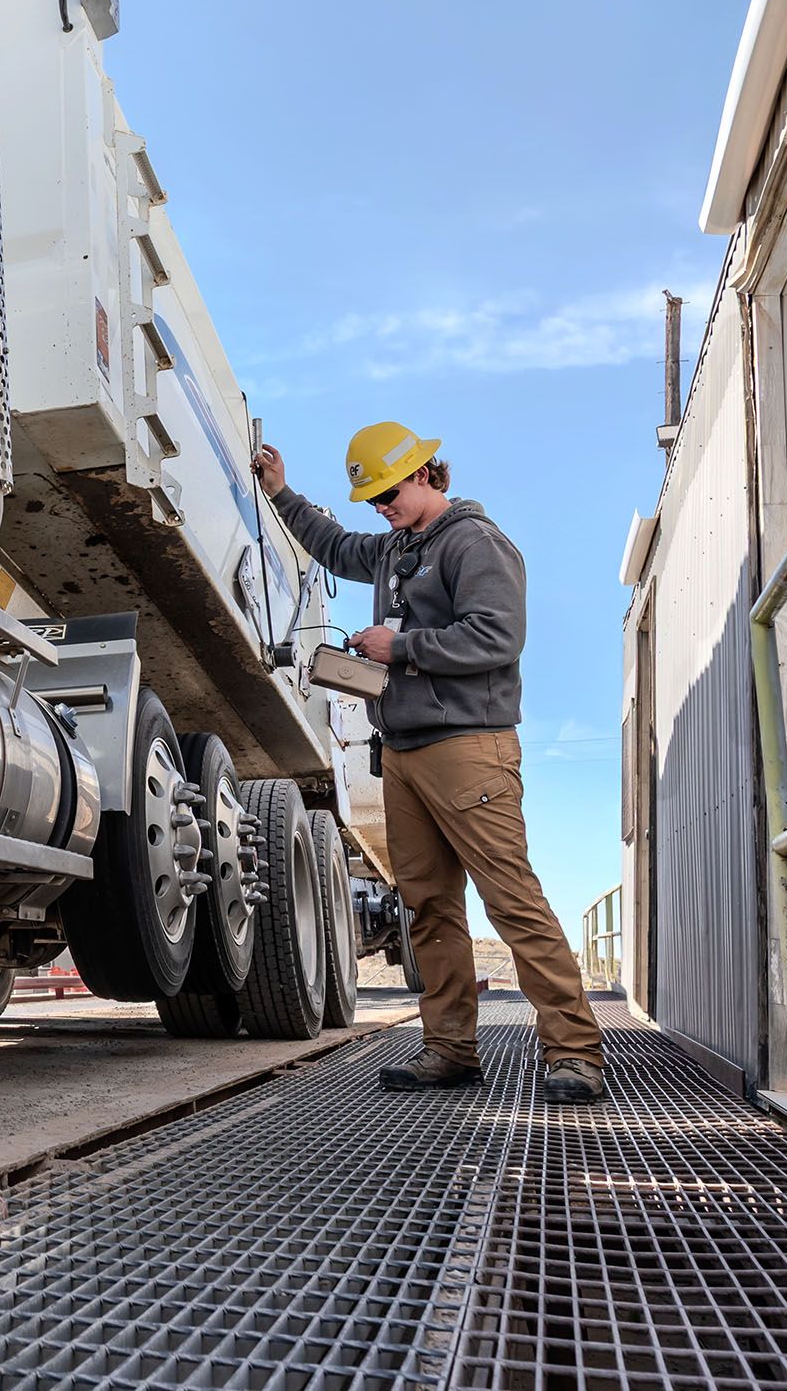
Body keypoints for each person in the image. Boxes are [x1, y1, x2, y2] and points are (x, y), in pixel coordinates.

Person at [253, 421, 606, 1105]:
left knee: (511, 900)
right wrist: (281, 493)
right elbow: (334, 545)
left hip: (468, 749)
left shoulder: (474, 542)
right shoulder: (395, 547)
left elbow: (498, 635)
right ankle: (449, 1048)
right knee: (428, 908)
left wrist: (402, 646)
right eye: (372, 500)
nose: (381, 507)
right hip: (405, 754)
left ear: (424, 474)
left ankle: (574, 1052)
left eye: (388, 493)